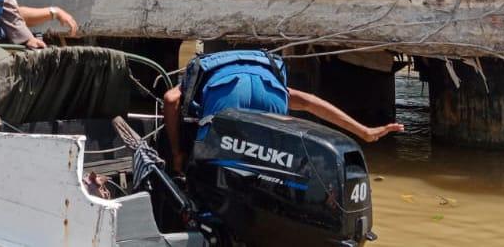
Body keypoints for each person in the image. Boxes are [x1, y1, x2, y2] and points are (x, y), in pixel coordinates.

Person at [162, 49, 404, 172]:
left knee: (211, 166)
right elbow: (309, 102)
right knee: (272, 163)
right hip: (270, 92)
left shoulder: (204, 69)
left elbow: (171, 99)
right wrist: (364, 131)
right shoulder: (263, 68)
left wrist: (176, 154)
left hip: (226, 92)